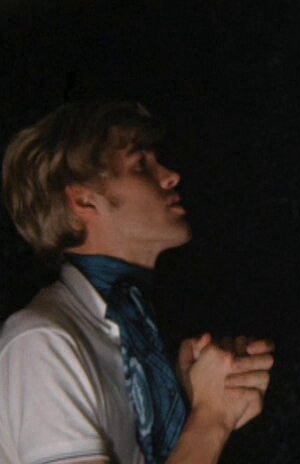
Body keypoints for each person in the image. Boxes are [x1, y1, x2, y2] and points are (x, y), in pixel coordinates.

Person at [0, 100, 274, 463]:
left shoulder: (132, 335)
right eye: (140, 165)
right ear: (83, 200)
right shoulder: (42, 342)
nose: (170, 176)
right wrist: (211, 418)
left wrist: (197, 400)